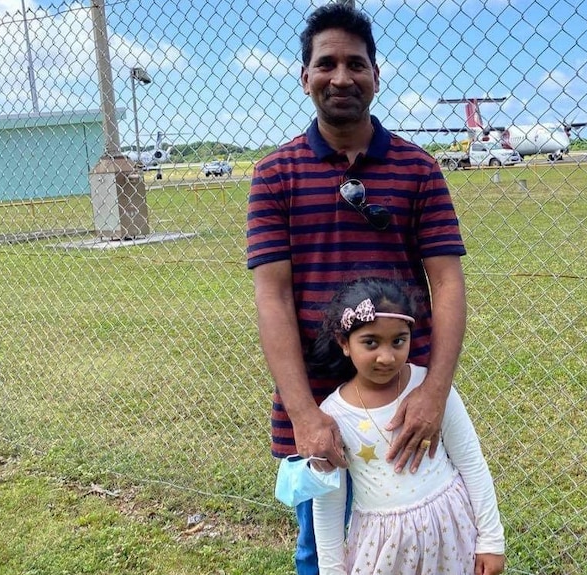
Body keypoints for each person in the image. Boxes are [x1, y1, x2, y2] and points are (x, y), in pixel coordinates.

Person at [246, 4, 467, 573]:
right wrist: (304, 414)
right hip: (322, 408)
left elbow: (447, 283)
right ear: (304, 77)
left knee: (416, 537)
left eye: (356, 64)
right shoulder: (275, 176)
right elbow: (271, 299)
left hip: (403, 405)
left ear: (376, 74)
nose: (341, 77)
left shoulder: (419, 170)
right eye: (326, 64)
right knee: (325, 551)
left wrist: (433, 394)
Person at [307, 277, 505, 575]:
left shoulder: (431, 391)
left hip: (451, 533)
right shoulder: (332, 416)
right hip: (383, 550)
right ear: (344, 342)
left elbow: (472, 464)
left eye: (398, 341)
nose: (387, 356)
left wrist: (491, 540)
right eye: (370, 342)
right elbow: (328, 506)